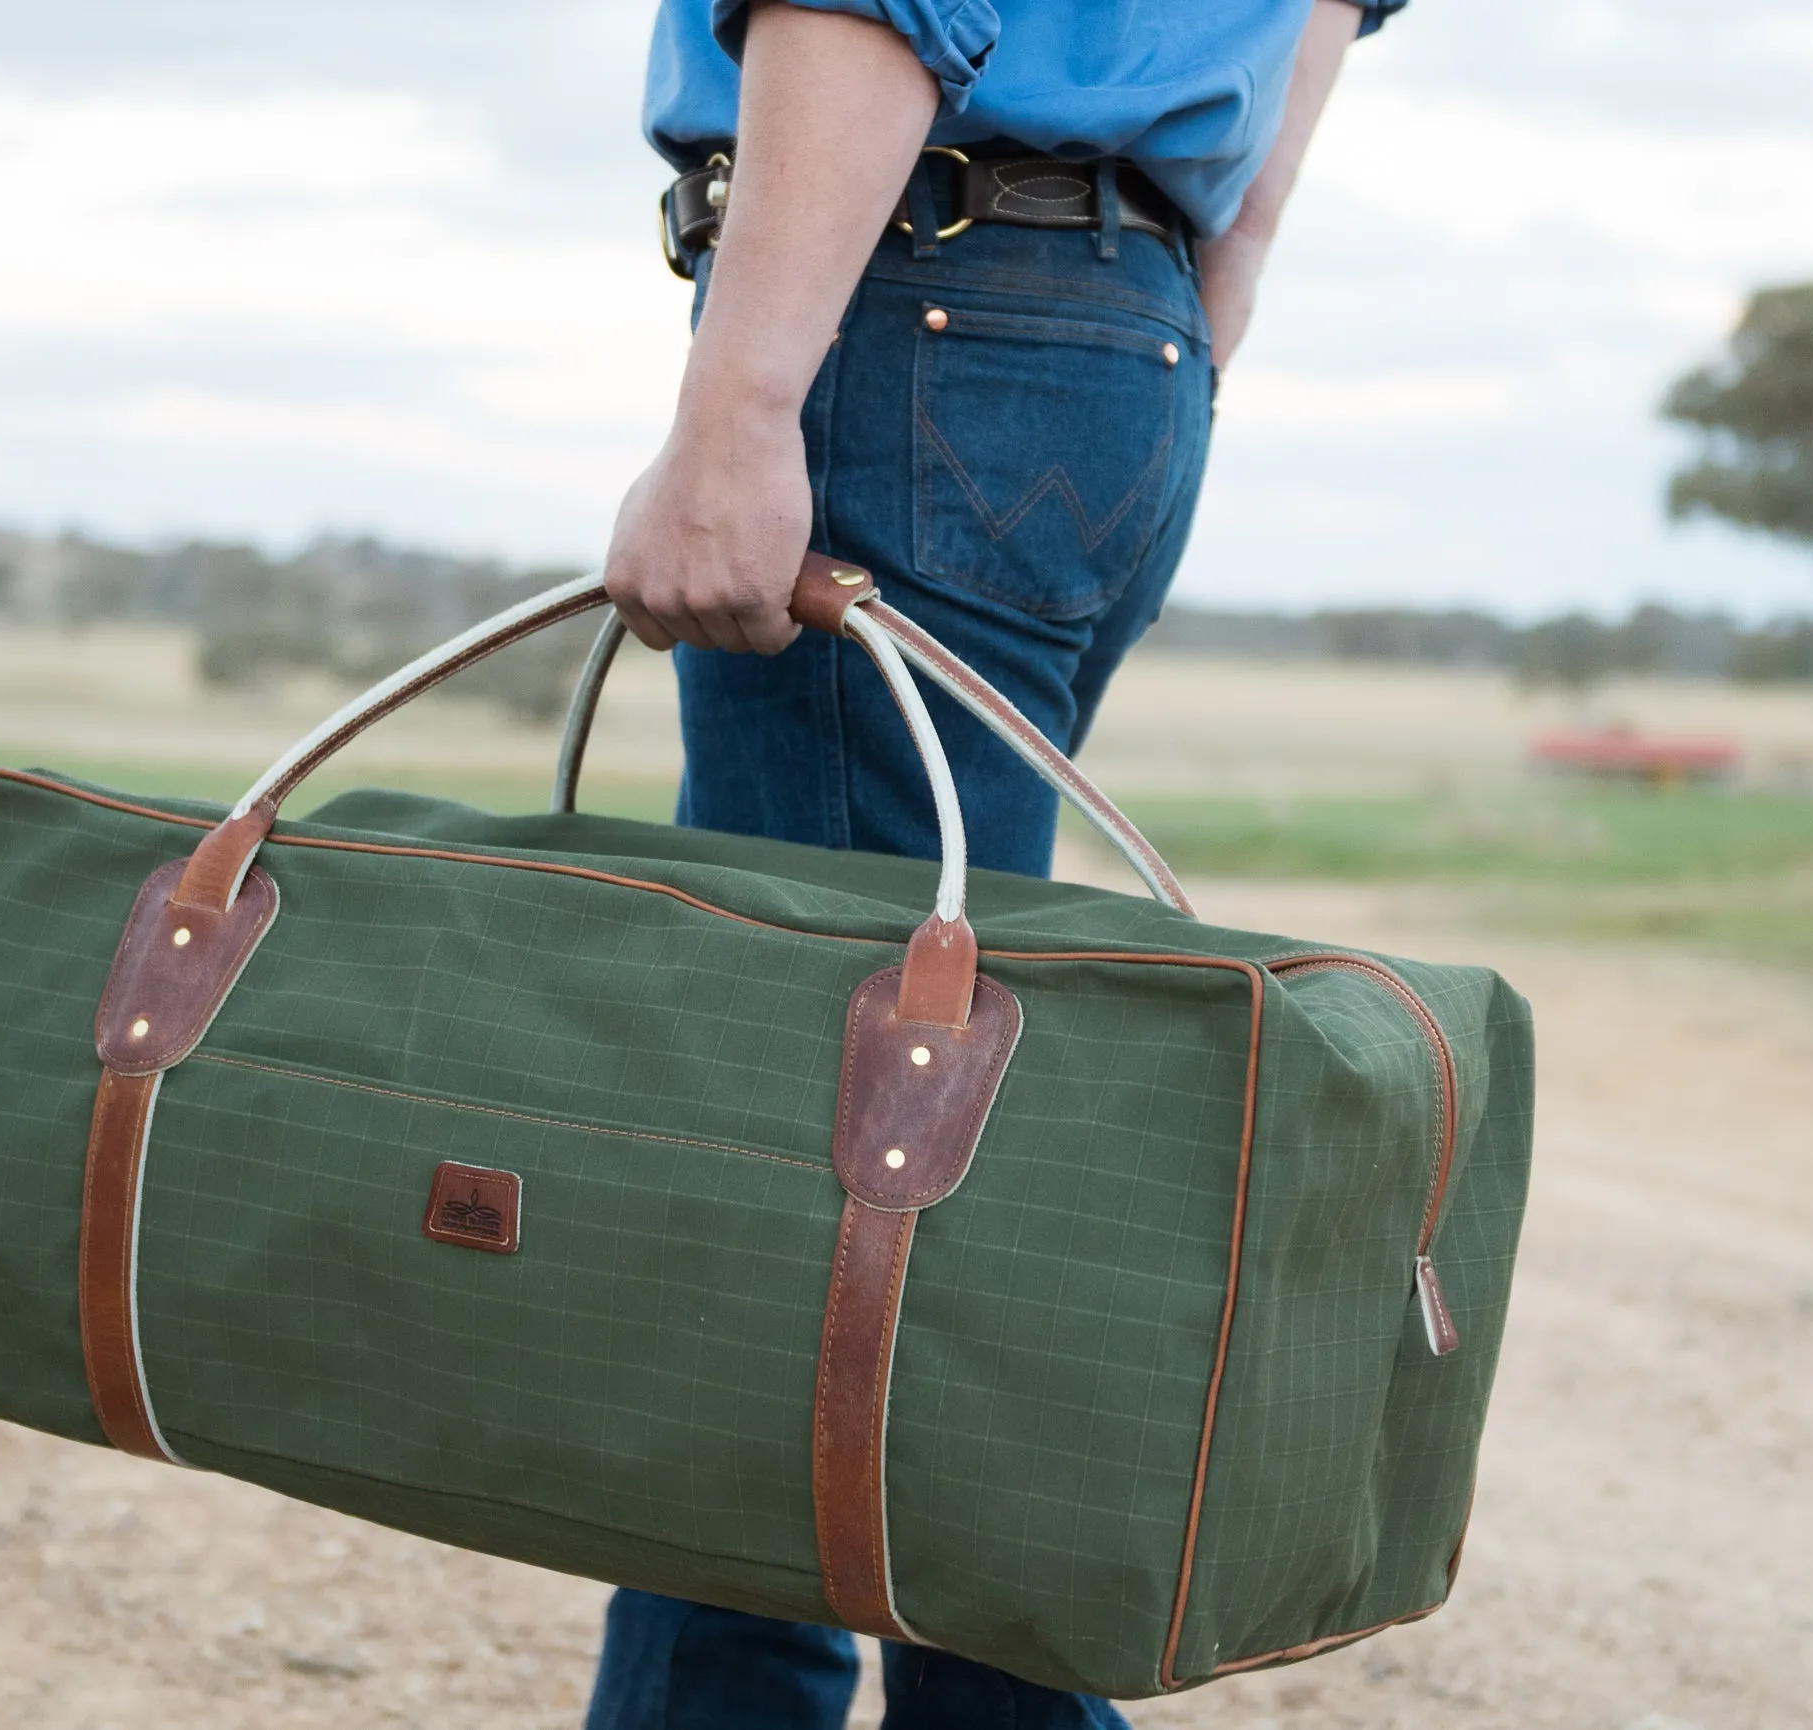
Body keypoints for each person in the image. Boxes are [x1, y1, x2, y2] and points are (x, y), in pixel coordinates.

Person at [590, 2, 1402, 1723]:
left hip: (919, 294)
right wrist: (1178, 318)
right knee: (902, 1142)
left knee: (792, 1183)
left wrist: (740, 403)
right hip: (1118, 334)